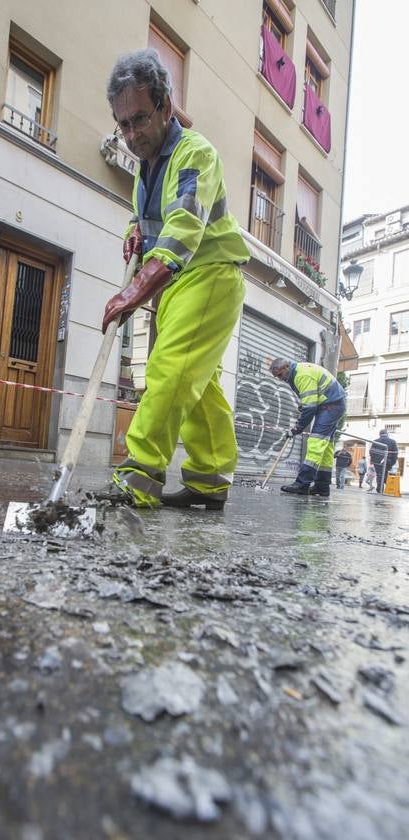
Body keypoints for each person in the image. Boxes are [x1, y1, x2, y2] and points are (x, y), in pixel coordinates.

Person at [100, 49, 249, 510]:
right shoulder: (144, 170)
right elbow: (146, 218)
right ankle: (209, 480)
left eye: (140, 119)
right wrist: (133, 235)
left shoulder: (194, 153)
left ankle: (140, 472)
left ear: (166, 107)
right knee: (197, 383)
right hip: (177, 282)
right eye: (122, 124)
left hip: (209, 273)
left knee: (170, 369)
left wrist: (134, 288)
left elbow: (183, 226)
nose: (131, 134)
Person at [269, 358, 346, 497]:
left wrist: (297, 428)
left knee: (315, 442)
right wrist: (304, 407)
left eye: (280, 375)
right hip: (332, 404)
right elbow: (310, 400)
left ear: (286, 367)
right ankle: (322, 487)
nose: (280, 379)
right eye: (276, 377)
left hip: (331, 405)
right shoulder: (296, 373)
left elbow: (310, 407)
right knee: (326, 447)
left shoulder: (302, 375)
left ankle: (302, 484)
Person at [369, 428, 398, 493]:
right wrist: (392, 462)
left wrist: (373, 461)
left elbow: (371, 452)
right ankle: (389, 488)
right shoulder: (392, 441)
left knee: (379, 475)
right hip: (388, 461)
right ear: (387, 434)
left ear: (380, 434)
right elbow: (395, 453)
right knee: (386, 475)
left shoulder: (375, 441)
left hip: (377, 462)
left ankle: (380, 489)